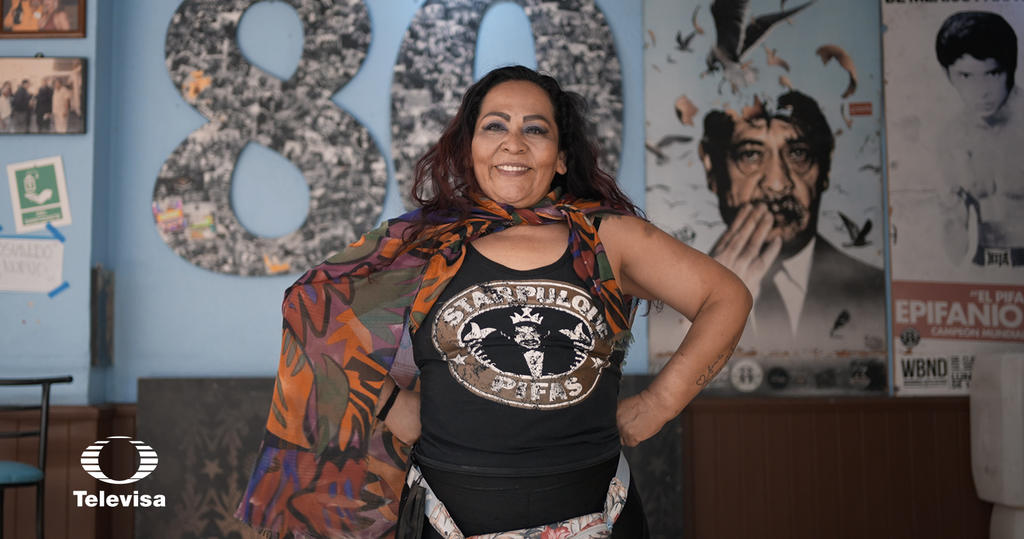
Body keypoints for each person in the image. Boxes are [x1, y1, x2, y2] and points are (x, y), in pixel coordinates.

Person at [236, 66, 751, 538]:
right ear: (469, 149)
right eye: (495, 126)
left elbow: (725, 297)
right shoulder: (425, 245)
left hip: (598, 520)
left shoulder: (607, 238)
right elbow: (317, 309)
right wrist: (391, 404)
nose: (514, 142)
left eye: (536, 129)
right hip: (445, 523)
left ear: (561, 157)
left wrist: (659, 405)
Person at [698, 91, 884, 348]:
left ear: (825, 167)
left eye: (797, 154)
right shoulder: (665, 304)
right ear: (712, 168)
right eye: (750, 155)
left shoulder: (878, 293)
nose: (777, 183)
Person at [934, 11, 1024, 268]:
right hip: (983, 268)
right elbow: (954, 245)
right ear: (947, 74)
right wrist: (951, 212)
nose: (982, 91)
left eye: (992, 74)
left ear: (1010, 68)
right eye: (965, 76)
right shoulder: (951, 137)